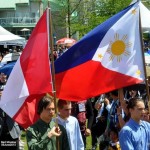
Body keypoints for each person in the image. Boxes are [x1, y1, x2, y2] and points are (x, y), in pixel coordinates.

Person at [0, 72, 21, 150]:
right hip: (1, 130)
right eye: (1, 74)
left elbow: (17, 103)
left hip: (12, 129)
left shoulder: (13, 87)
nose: (3, 76)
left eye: (4, 74)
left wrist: (6, 96)